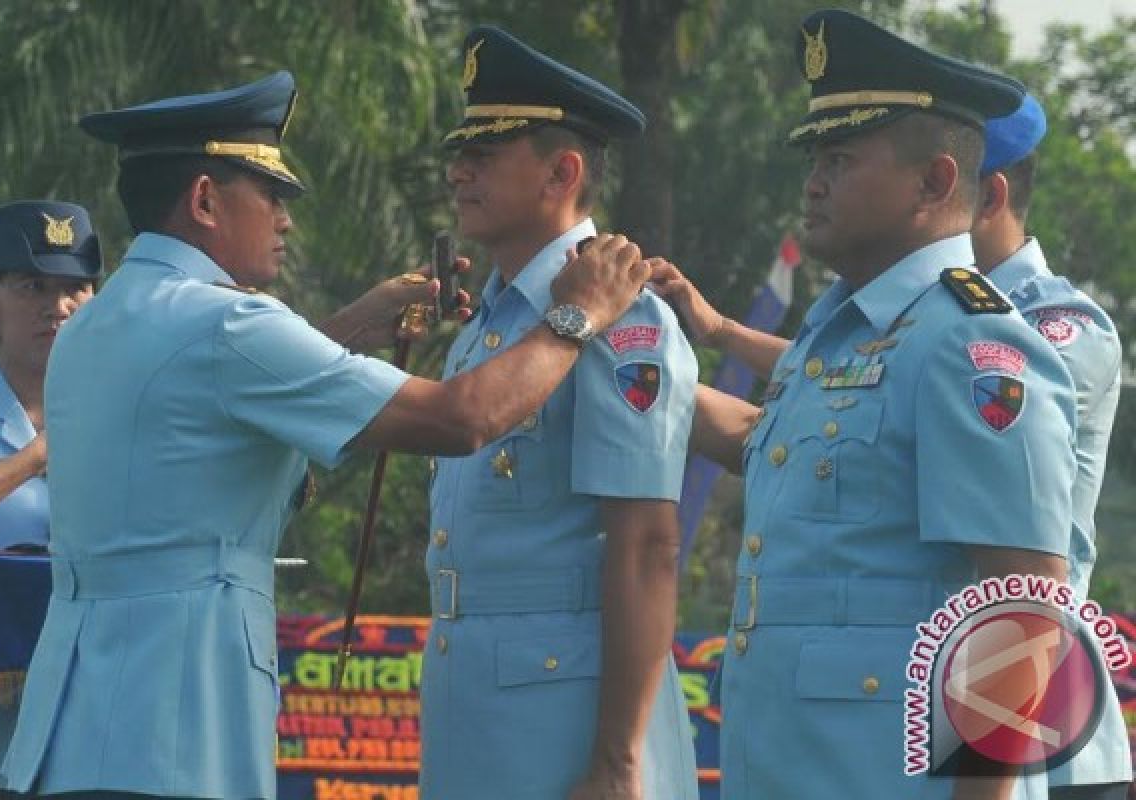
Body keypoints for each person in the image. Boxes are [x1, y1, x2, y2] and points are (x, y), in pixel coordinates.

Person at [0, 71, 650, 799]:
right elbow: (460, 418)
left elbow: (216, 436)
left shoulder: (95, 322)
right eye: (272, 196)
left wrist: (351, 329)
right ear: (205, 199)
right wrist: (576, 317)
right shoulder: (229, 323)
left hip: (79, 720)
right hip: (177, 724)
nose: (285, 220)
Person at [665, 9, 1079, 799]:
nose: (814, 182)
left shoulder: (973, 345)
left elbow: (1022, 603)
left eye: (842, 157)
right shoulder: (835, 335)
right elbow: (765, 450)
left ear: (936, 181)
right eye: (814, 157)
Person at [424, 27, 699, 800]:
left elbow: (646, 545)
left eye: (485, 154)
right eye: (461, 151)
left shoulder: (623, 320)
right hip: (472, 697)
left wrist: (617, 761)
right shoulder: (495, 323)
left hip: (567, 714)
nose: (458, 171)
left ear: (562, 172)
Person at [971, 95, 1132, 800]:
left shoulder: (1060, 324)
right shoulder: (938, 318)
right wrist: (724, 333)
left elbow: (970, 405)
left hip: (1051, 737)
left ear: (987, 195)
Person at [0, 201, 102, 798]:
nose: (56, 308)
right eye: (32, 286)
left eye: (75, 288)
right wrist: (31, 459)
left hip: (98, 738)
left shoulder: (133, 425)